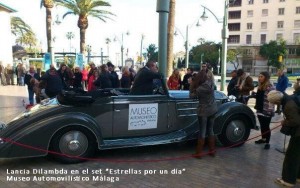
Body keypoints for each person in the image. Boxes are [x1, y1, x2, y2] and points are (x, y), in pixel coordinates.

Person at [268, 80, 300, 187]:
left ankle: (288, 180)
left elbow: (295, 121)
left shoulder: (288, 106)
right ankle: (297, 176)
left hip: (299, 133)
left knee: (291, 156)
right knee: (297, 155)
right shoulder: (289, 99)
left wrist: (284, 121)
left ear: (277, 102)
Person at [189, 70, 218, 158]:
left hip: (203, 111)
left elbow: (191, 96)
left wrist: (192, 84)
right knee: (210, 130)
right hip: (213, 109)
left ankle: (199, 153)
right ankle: (212, 151)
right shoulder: (211, 83)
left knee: (202, 131)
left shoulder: (201, 88)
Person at [253, 72, 275, 150]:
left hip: (266, 110)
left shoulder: (270, 87)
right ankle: (263, 139)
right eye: (259, 76)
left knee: (266, 127)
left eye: (261, 76)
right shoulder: (260, 86)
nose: (259, 78)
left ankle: (267, 142)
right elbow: (260, 97)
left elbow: (272, 100)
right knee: (262, 126)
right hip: (260, 109)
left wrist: (269, 111)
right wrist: (254, 95)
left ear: (266, 77)